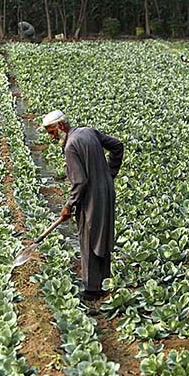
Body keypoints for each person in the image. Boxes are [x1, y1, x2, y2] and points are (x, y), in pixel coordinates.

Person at [42, 110, 124, 301]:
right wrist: (109, 174)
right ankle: (104, 281)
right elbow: (117, 146)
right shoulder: (88, 131)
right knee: (101, 235)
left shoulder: (70, 146)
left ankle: (92, 290)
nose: (52, 137)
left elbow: (80, 181)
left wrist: (69, 206)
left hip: (91, 197)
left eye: (51, 132)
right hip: (107, 192)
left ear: (61, 126)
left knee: (88, 237)